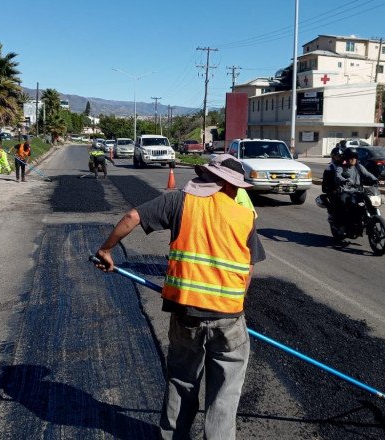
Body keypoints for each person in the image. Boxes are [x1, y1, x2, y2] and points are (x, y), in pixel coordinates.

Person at [93, 154, 265, 440]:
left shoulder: (180, 202)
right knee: (225, 393)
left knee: (182, 381)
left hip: (186, 314)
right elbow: (248, 269)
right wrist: (234, 304)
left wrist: (106, 250)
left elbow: (132, 217)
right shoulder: (245, 217)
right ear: (232, 186)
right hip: (229, 319)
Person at [333, 147, 378, 223]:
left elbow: (368, 174)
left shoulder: (359, 167)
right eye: (351, 158)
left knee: (368, 200)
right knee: (343, 202)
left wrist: (376, 180)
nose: (353, 159)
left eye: (355, 157)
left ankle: (373, 215)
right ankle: (343, 223)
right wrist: (344, 180)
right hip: (346, 191)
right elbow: (338, 176)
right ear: (346, 158)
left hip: (358, 191)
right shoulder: (341, 168)